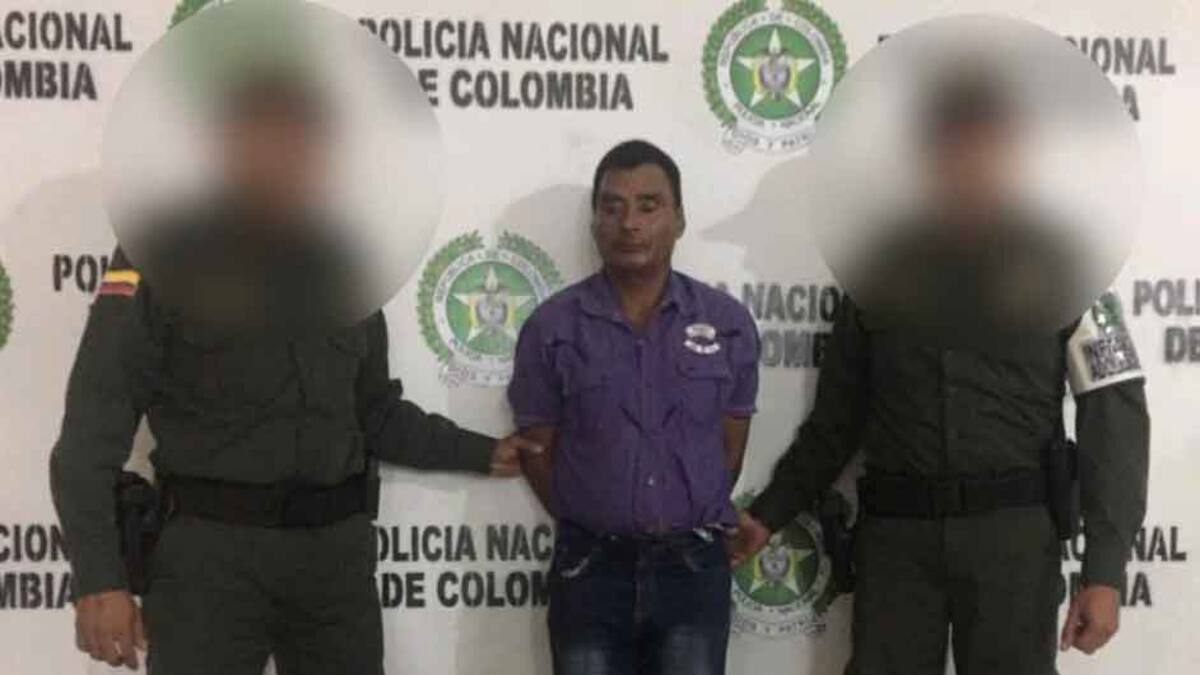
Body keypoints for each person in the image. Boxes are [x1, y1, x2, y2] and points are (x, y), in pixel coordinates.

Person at [49, 70, 538, 675]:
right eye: (266, 136)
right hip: (209, 564)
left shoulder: (344, 267)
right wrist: (99, 579)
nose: (285, 156)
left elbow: (376, 414)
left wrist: (486, 453)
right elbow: (89, 434)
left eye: (301, 139)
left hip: (334, 564)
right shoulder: (163, 257)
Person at [727, 71, 1150, 675]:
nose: (967, 165)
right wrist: (770, 512)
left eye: (983, 147)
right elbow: (836, 422)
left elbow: (1116, 419)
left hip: (1013, 540)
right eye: (952, 148)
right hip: (898, 542)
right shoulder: (874, 273)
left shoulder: (1069, 270)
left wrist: (1105, 572)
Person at [508, 139, 761, 675]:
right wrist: (600, 514)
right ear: (595, 222)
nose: (630, 223)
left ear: (679, 219)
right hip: (589, 573)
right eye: (613, 207)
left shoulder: (727, 324)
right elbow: (537, 451)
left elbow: (730, 448)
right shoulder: (552, 327)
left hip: (694, 573)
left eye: (649, 206)